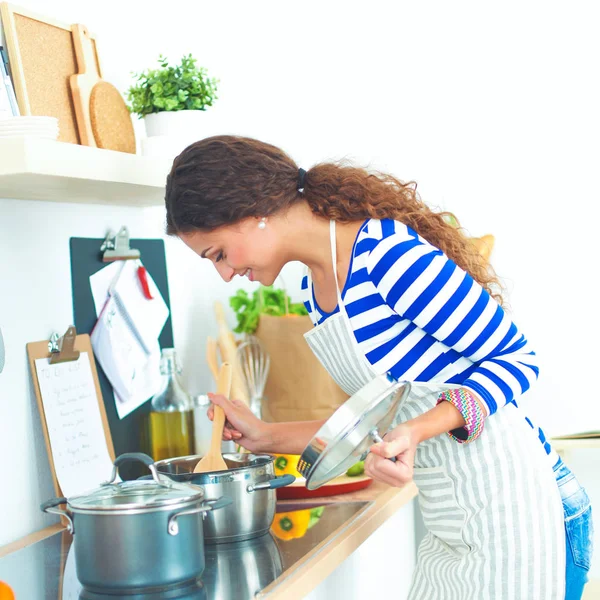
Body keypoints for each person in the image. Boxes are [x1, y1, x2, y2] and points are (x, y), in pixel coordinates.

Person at [165, 135, 593, 600]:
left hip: (521, 510)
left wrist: (416, 431)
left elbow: (516, 359)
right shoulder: (317, 288)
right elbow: (379, 419)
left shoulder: (385, 256)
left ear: (251, 211)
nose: (224, 274)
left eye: (219, 254)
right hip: (453, 521)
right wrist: (264, 435)